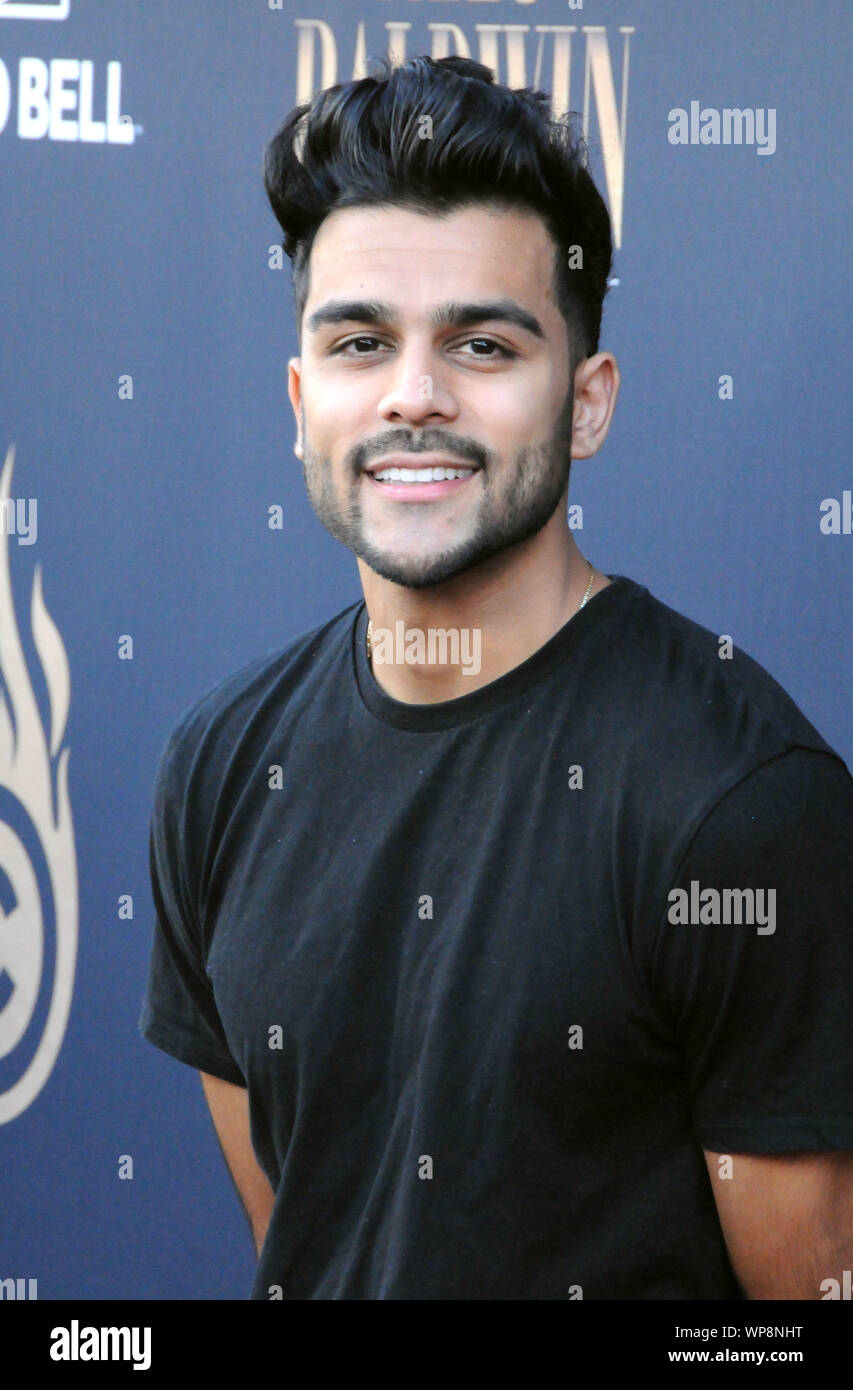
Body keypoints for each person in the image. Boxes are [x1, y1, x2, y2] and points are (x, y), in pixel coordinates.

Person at [138, 54, 853, 1300]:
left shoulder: (739, 805)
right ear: (304, 401)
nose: (414, 396)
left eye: (481, 342)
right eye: (360, 342)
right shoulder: (219, 762)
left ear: (585, 403)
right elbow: (308, 1233)